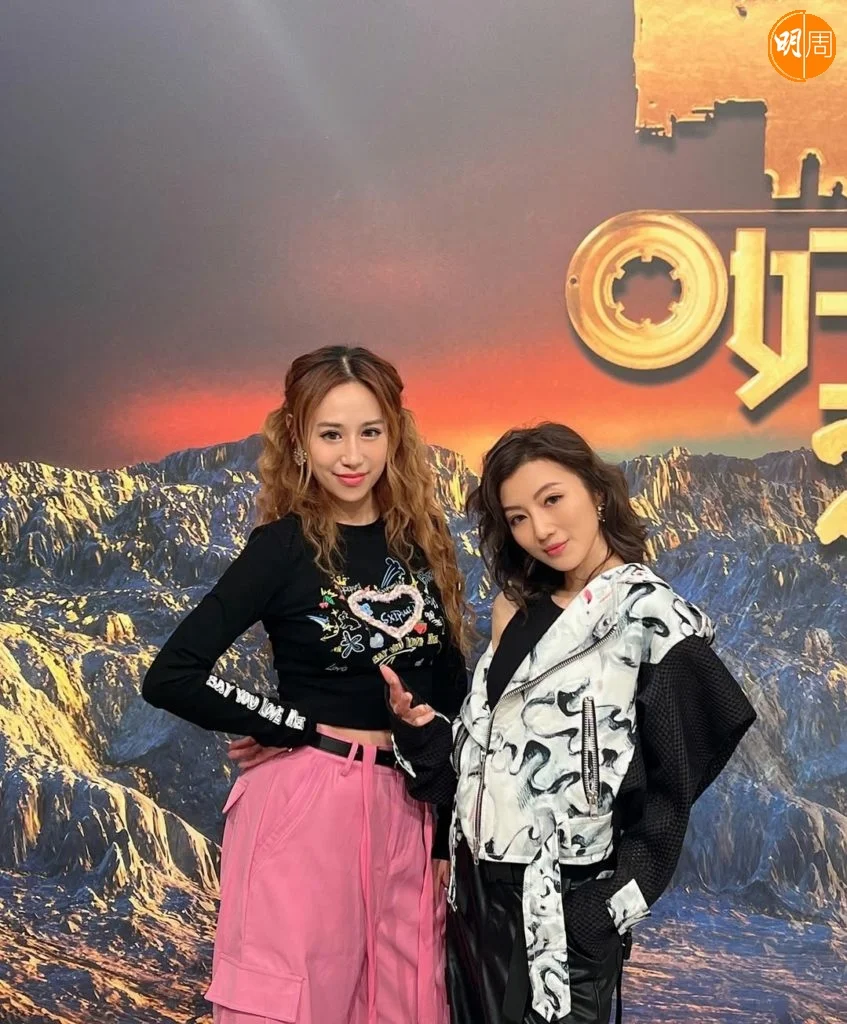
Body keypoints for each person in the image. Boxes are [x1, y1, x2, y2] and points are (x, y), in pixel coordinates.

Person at [383, 422, 756, 1024]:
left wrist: (610, 903)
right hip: (471, 909)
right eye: (518, 517)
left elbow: (676, 789)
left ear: (597, 492)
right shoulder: (514, 610)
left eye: (552, 499)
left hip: (561, 919)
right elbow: (486, 763)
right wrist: (425, 735)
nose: (541, 529)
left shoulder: (651, 618)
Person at [142, 345, 470, 1024]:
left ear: (395, 435)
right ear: (298, 439)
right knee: (290, 1005)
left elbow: (453, 699)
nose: (352, 455)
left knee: (408, 1007)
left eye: (369, 432)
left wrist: (442, 835)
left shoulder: (423, 544)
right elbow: (172, 675)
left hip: (410, 812)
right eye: (330, 434)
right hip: (306, 808)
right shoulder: (281, 548)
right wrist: (284, 725)